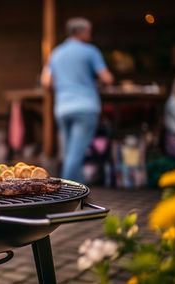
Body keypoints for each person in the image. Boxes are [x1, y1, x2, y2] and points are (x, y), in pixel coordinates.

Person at [41, 17, 113, 183]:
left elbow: (46, 82)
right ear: (81, 32)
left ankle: (80, 194)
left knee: (70, 154)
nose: (91, 35)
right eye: (89, 31)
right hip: (85, 106)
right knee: (76, 155)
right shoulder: (90, 51)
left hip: (62, 108)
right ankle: (66, 194)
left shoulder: (56, 52)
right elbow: (107, 78)